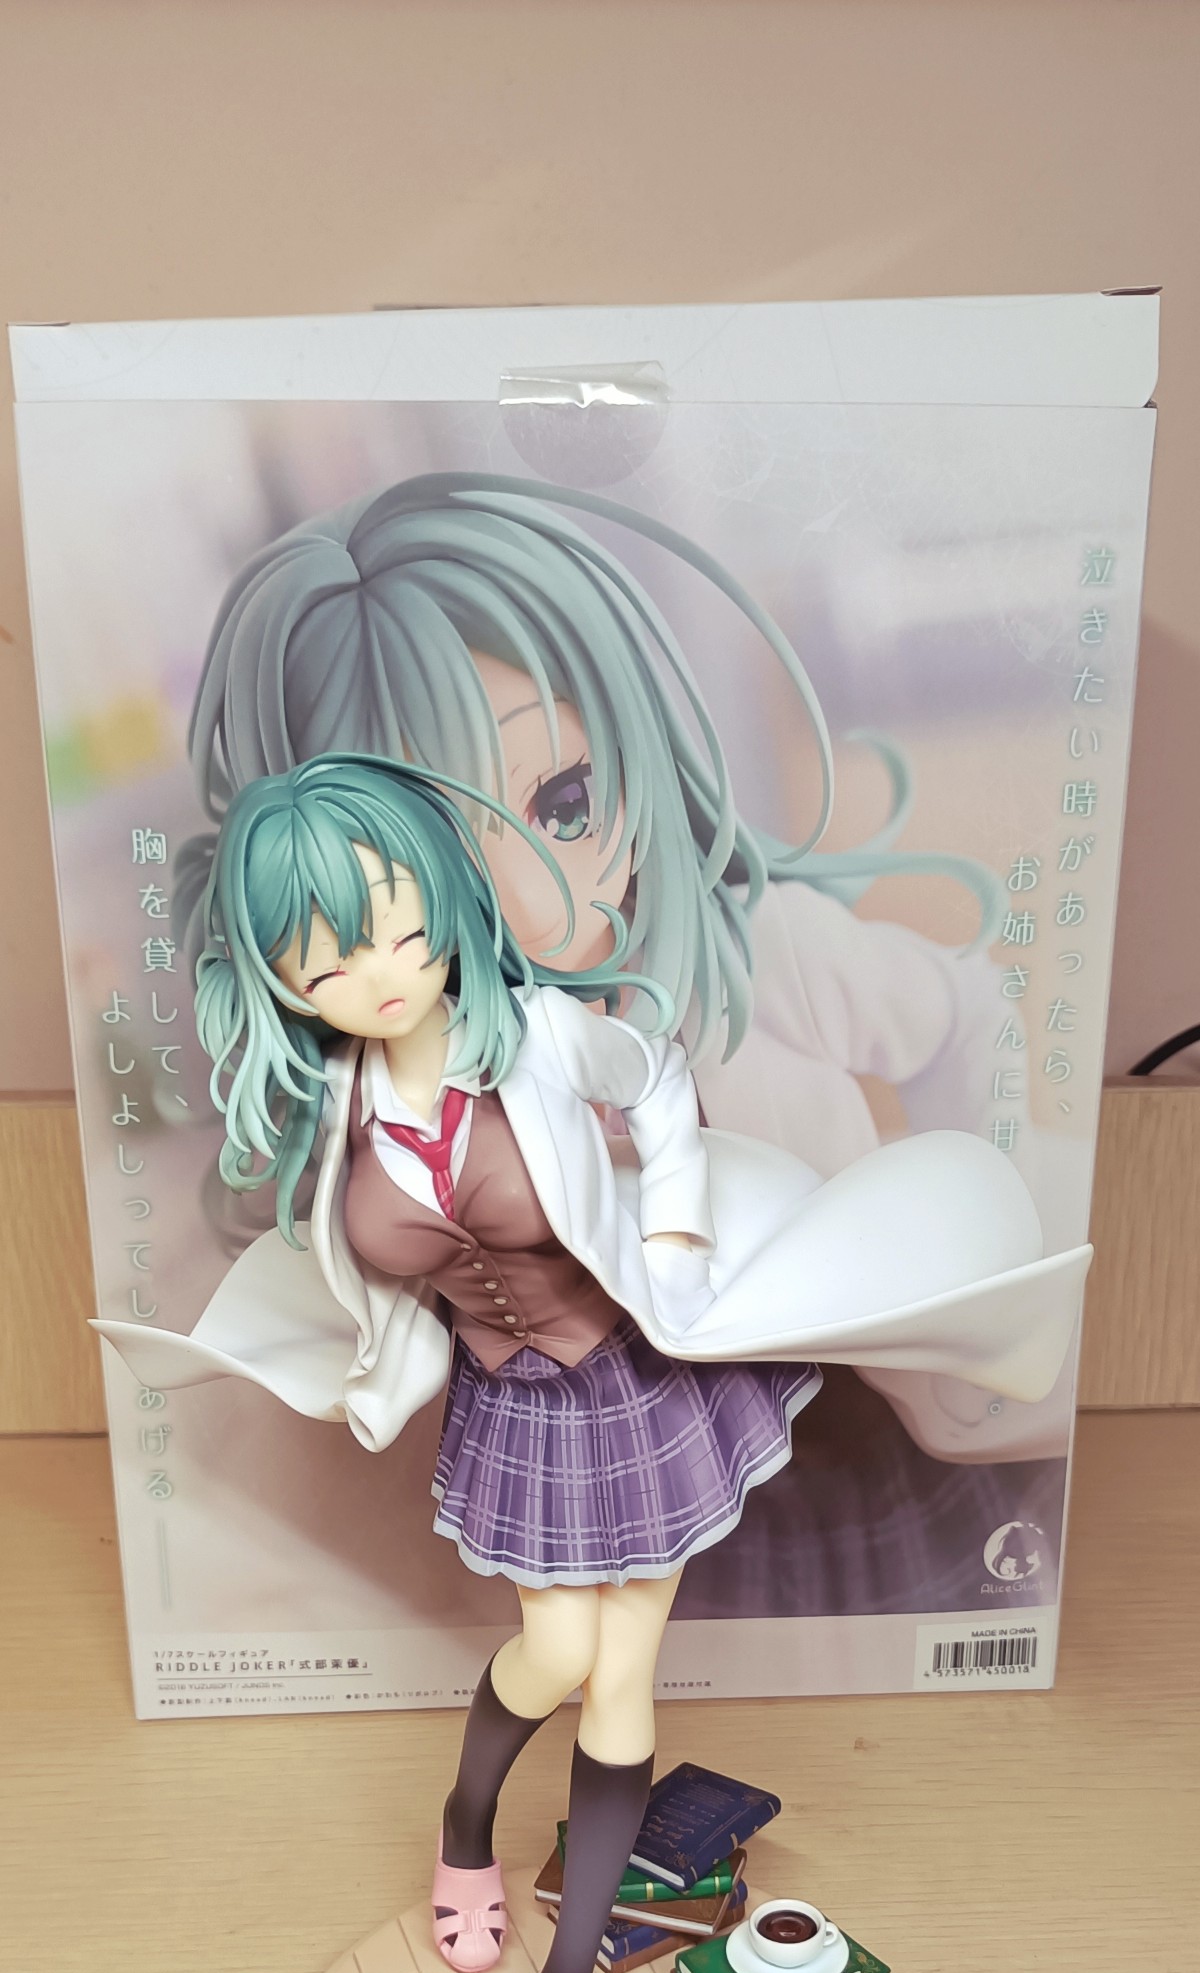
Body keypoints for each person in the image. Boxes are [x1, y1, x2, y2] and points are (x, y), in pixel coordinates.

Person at [99, 753, 1088, 1973]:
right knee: (556, 1653)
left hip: (633, 1384)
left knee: (620, 1678)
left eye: (400, 922)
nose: (381, 970)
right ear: (275, 975)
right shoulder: (335, 1114)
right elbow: (357, 1270)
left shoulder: (540, 1034)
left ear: (443, 898)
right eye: (325, 957)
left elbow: (661, 1085)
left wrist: (671, 1230)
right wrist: (364, 1360)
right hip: (513, 1412)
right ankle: (466, 1821)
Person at [179, 469, 1067, 1620]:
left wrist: (976, 1281)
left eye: (564, 799)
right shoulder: (415, 1065)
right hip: (600, 1496)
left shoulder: (764, 957)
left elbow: (963, 1012)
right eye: (430, 863)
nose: (532, 901)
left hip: (851, 1446)